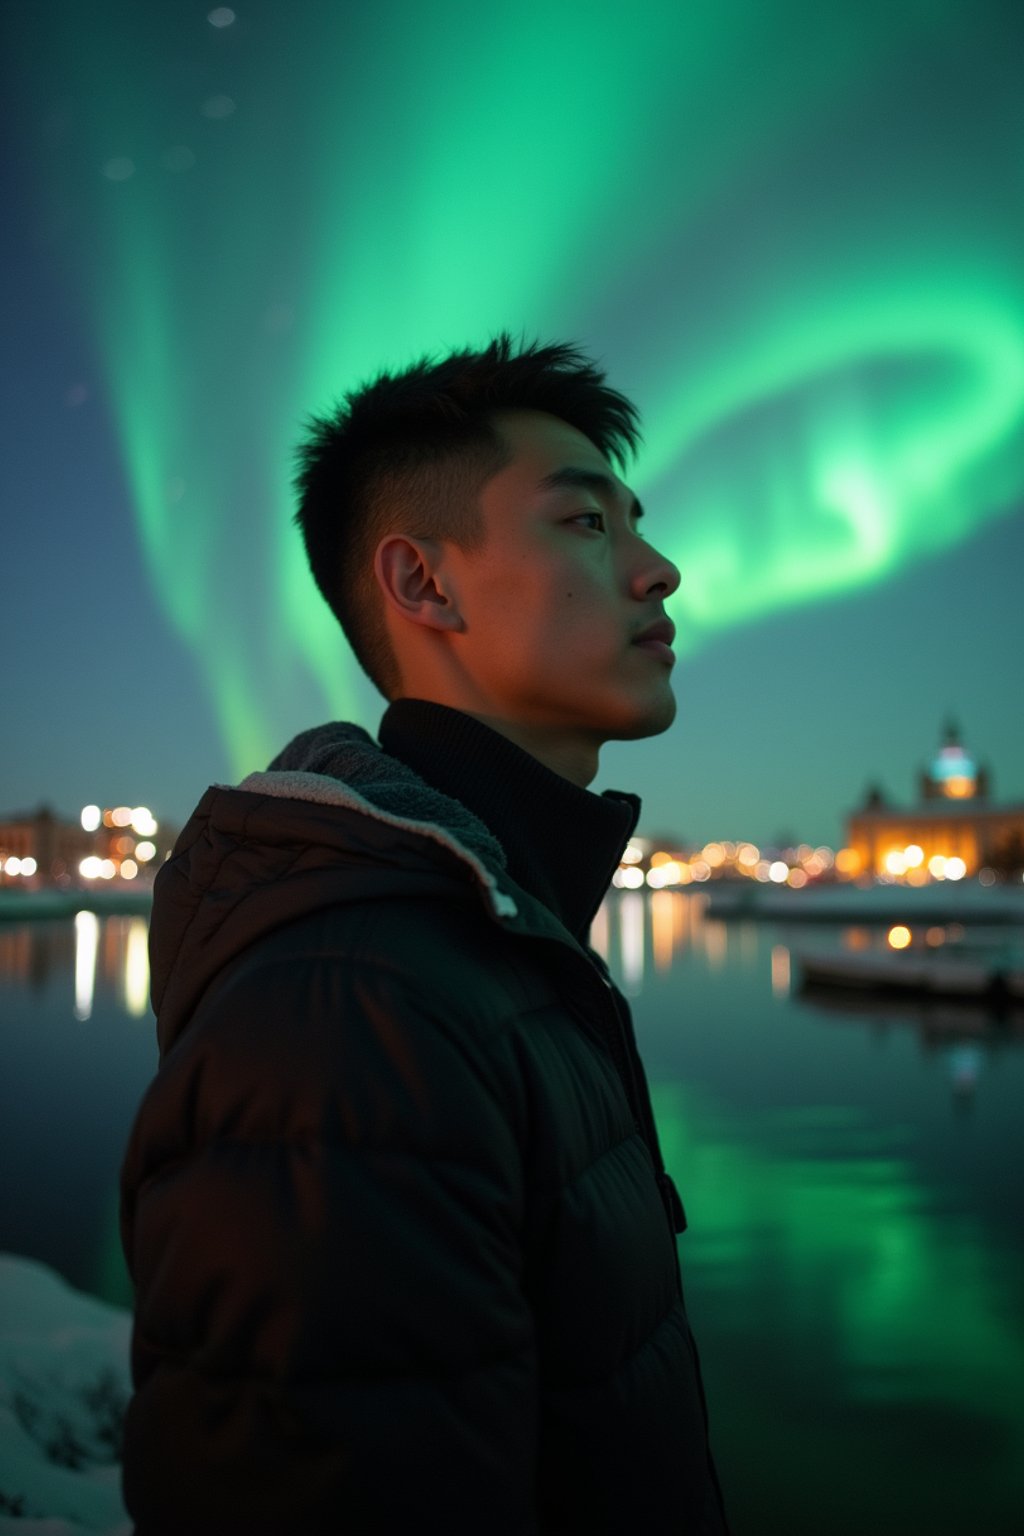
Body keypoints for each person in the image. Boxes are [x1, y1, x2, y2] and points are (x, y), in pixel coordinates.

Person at [120, 334, 730, 1534]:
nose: (659, 571)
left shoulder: (489, 945)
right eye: (586, 525)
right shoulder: (350, 1013)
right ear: (424, 585)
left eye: (636, 523)